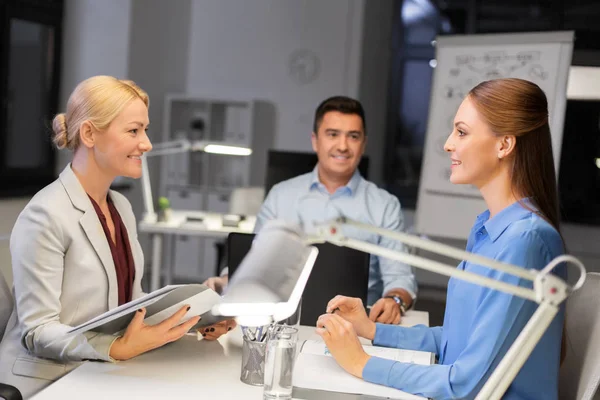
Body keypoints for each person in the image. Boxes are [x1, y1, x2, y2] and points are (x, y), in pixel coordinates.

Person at [315, 78, 566, 399]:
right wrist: (371, 330)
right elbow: (455, 340)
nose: (448, 144)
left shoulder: (525, 240)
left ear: (504, 145)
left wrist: (362, 362)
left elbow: (466, 383)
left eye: (461, 132)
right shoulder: (487, 228)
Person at [0, 76, 233, 398]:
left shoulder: (120, 206)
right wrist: (117, 346)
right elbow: (37, 332)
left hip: (103, 369)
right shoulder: (46, 214)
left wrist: (194, 320)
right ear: (90, 133)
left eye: (145, 130)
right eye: (134, 130)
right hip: (47, 379)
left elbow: (132, 306)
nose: (147, 144)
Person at [205, 96, 417, 325]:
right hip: (279, 322)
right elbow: (253, 259)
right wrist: (226, 281)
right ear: (315, 141)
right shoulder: (281, 195)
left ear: (363, 144)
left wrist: (395, 301)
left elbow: (400, 279)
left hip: (352, 327)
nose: (343, 146)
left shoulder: (384, 205)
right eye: (333, 134)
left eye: (353, 136)